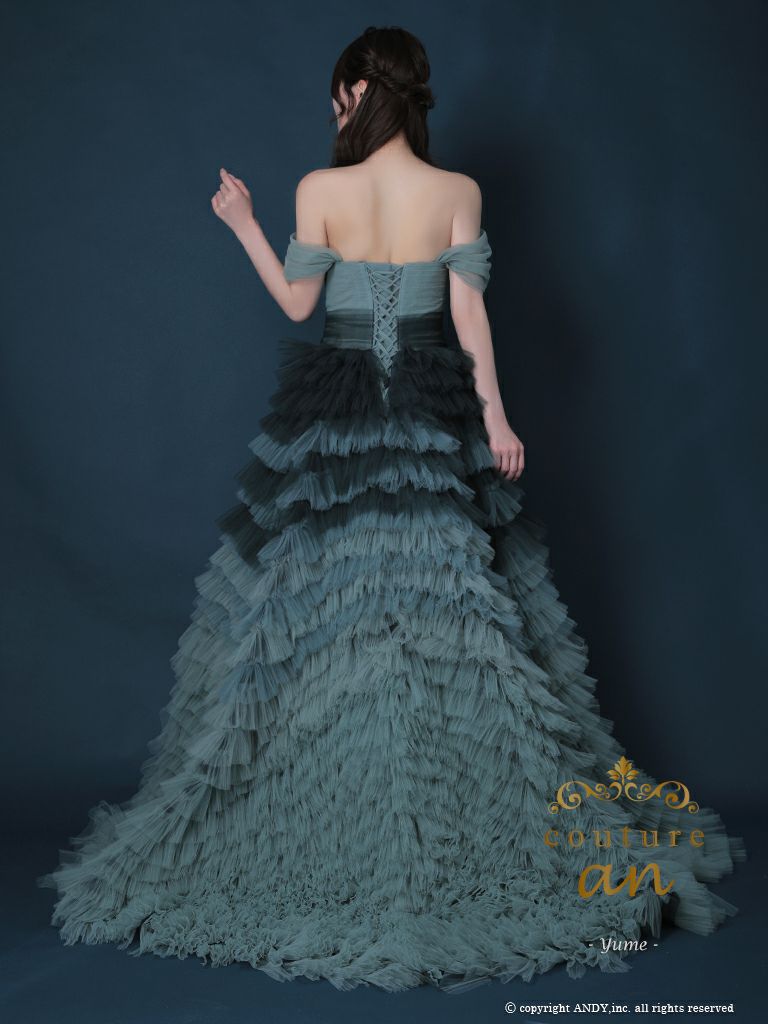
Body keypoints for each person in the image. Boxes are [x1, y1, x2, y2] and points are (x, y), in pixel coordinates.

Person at [38, 25, 746, 994]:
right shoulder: (456, 191)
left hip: (333, 427)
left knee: (311, 617)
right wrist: (495, 414)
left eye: (340, 91)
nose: (333, 107)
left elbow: (300, 307)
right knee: (448, 613)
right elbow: (468, 314)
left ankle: (370, 812)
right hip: (426, 413)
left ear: (362, 90)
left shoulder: (320, 190)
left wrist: (242, 221)